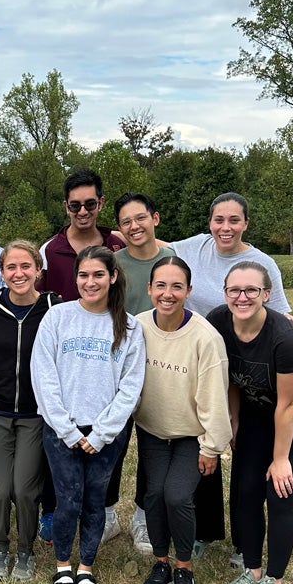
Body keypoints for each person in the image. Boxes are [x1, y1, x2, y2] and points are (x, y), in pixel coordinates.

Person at [171, 192, 293, 567]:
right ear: (209, 223)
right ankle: (205, 532)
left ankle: (246, 544)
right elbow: (154, 240)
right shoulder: (195, 246)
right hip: (205, 362)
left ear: (246, 223)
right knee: (205, 440)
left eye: (234, 220)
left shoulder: (262, 263)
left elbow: (280, 314)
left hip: (249, 372)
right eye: (218, 220)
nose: (225, 227)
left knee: (245, 464)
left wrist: (291, 326)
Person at [209, 261, 293, 584]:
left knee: (279, 493)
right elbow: (232, 375)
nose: (242, 297)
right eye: (235, 290)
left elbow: (289, 403)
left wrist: (280, 460)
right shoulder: (220, 320)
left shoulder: (282, 336)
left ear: (266, 294)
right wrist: (233, 419)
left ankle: (274, 583)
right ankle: (252, 570)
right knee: (246, 488)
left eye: (252, 290)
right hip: (256, 412)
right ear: (226, 293)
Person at [31, 246, 145, 584]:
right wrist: (65, 428)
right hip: (61, 429)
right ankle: (63, 567)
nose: (90, 282)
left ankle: (86, 570)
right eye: (83, 275)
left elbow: (130, 386)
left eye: (98, 274)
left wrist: (102, 433)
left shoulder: (128, 326)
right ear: (75, 278)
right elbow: (43, 376)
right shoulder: (57, 318)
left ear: (112, 277)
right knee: (67, 500)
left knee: (95, 502)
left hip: (106, 433)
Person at [134, 256, 231, 584]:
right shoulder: (139, 327)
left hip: (192, 435)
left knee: (177, 495)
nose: (168, 293)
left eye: (177, 286)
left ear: (189, 291)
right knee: (154, 495)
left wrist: (212, 446)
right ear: (149, 289)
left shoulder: (205, 338)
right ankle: (161, 562)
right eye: (160, 285)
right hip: (152, 430)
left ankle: (184, 568)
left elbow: (214, 397)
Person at [0, 240, 61, 582]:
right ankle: (0, 547)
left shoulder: (55, 307)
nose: (19, 273)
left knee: (26, 491)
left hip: (34, 414)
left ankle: (24, 551)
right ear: (1, 273)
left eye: (26, 266)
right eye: (11, 267)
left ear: (38, 271)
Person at [104, 191, 178, 550]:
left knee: (152, 444)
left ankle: (143, 519)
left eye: (140, 218)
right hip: (116, 367)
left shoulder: (172, 259)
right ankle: (105, 515)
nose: (134, 226)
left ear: (155, 219)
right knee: (112, 442)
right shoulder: (112, 263)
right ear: (118, 229)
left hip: (159, 367)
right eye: (126, 222)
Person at [40, 168, 125, 300]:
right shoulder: (48, 251)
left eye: (90, 204)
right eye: (75, 205)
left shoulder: (117, 245)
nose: (83, 212)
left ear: (100, 203)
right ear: (66, 207)